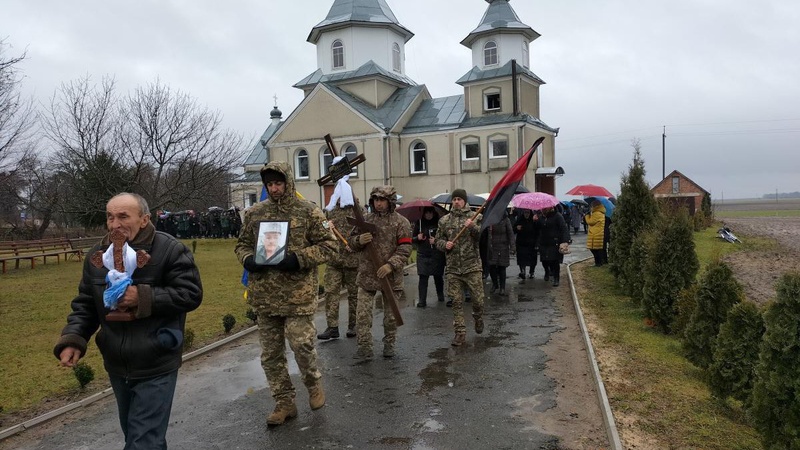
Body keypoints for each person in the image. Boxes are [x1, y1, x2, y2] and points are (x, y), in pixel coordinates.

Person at [54, 193, 203, 450]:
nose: (115, 224)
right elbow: (86, 303)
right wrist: (74, 339)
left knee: (143, 441)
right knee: (137, 435)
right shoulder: (99, 256)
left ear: (144, 219)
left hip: (156, 359)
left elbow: (190, 294)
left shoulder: (168, 250)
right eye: (110, 217)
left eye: (123, 216)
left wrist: (142, 297)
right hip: (116, 363)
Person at [235, 161, 336, 426]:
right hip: (265, 296)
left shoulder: (308, 211)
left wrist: (299, 258)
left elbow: (330, 246)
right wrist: (248, 259)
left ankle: (313, 384)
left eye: (278, 183)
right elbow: (242, 245)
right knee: (271, 355)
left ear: (288, 182)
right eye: (270, 184)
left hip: (297, 295)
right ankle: (284, 401)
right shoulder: (256, 213)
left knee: (302, 345)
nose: (274, 188)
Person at [349, 185, 412, 359]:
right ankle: (364, 347)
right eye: (376, 200)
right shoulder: (365, 220)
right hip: (367, 274)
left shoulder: (401, 222)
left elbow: (405, 247)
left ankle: (389, 344)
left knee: (390, 317)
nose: (378, 203)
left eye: (382, 200)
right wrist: (359, 240)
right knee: (362, 315)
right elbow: (351, 242)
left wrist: (391, 265)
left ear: (390, 201)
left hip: (390, 276)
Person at [435, 188, 485, 347]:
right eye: (454, 199)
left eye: (459, 199)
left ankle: (478, 317)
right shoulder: (444, 221)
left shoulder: (475, 217)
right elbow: (437, 241)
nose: (456, 202)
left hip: (472, 267)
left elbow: (481, 238)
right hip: (453, 268)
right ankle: (460, 333)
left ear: (465, 201)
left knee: (478, 300)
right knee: (456, 301)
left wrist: (472, 227)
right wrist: (445, 244)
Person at [317, 191, 361, 340]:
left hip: (353, 260)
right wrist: (326, 226)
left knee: (354, 295)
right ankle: (332, 327)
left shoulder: (357, 210)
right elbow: (320, 226)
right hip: (334, 260)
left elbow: (364, 231)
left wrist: (356, 243)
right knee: (330, 293)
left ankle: (354, 325)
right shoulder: (329, 210)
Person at [412, 206, 446, 307]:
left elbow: (444, 237)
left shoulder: (439, 223)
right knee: (423, 277)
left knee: (438, 276)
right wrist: (417, 238)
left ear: (434, 213)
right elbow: (412, 239)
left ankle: (441, 295)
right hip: (423, 254)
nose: (428, 215)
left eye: (430, 213)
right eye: (427, 213)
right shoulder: (419, 223)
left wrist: (435, 240)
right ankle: (422, 300)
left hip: (436, 254)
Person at [538, 206, 571, 287]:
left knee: (555, 261)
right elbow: (538, 228)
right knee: (544, 260)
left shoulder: (558, 216)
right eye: (543, 209)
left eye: (545, 208)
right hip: (544, 242)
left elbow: (564, 228)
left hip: (554, 242)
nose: (543, 209)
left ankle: (556, 279)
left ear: (551, 208)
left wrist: (565, 241)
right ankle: (547, 271)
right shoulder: (541, 217)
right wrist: (535, 221)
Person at [487, 210, 514, 295]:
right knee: (492, 267)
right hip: (492, 247)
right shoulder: (490, 220)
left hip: (503, 247)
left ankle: (502, 288)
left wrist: (512, 247)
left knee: (502, 267)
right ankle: (495, 284)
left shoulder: (506, 220)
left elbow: (510, 233)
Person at [513, 209, 541, 283]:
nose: (526, 214)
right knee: (521, 259)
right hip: (521, 243)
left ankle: (531, 272)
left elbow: (538, 232)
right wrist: (516, 228)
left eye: (528, 213)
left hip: (532, 243)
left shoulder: (534, 220)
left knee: (532, 259)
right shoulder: (520, 220)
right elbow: (513, 229)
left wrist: (537, 243)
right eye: (525, 212)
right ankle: (523, 272)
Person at [585, 200, 607, 266]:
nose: (591, 208)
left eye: (591, 206)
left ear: (595, 206)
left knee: (595, 250)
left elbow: (590, 222)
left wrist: (587, 216)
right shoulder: (599, 212)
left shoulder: (597, 213)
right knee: (596, 250)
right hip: (597, 233)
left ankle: (598, 263)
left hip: (596, 234)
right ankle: (598, 263)